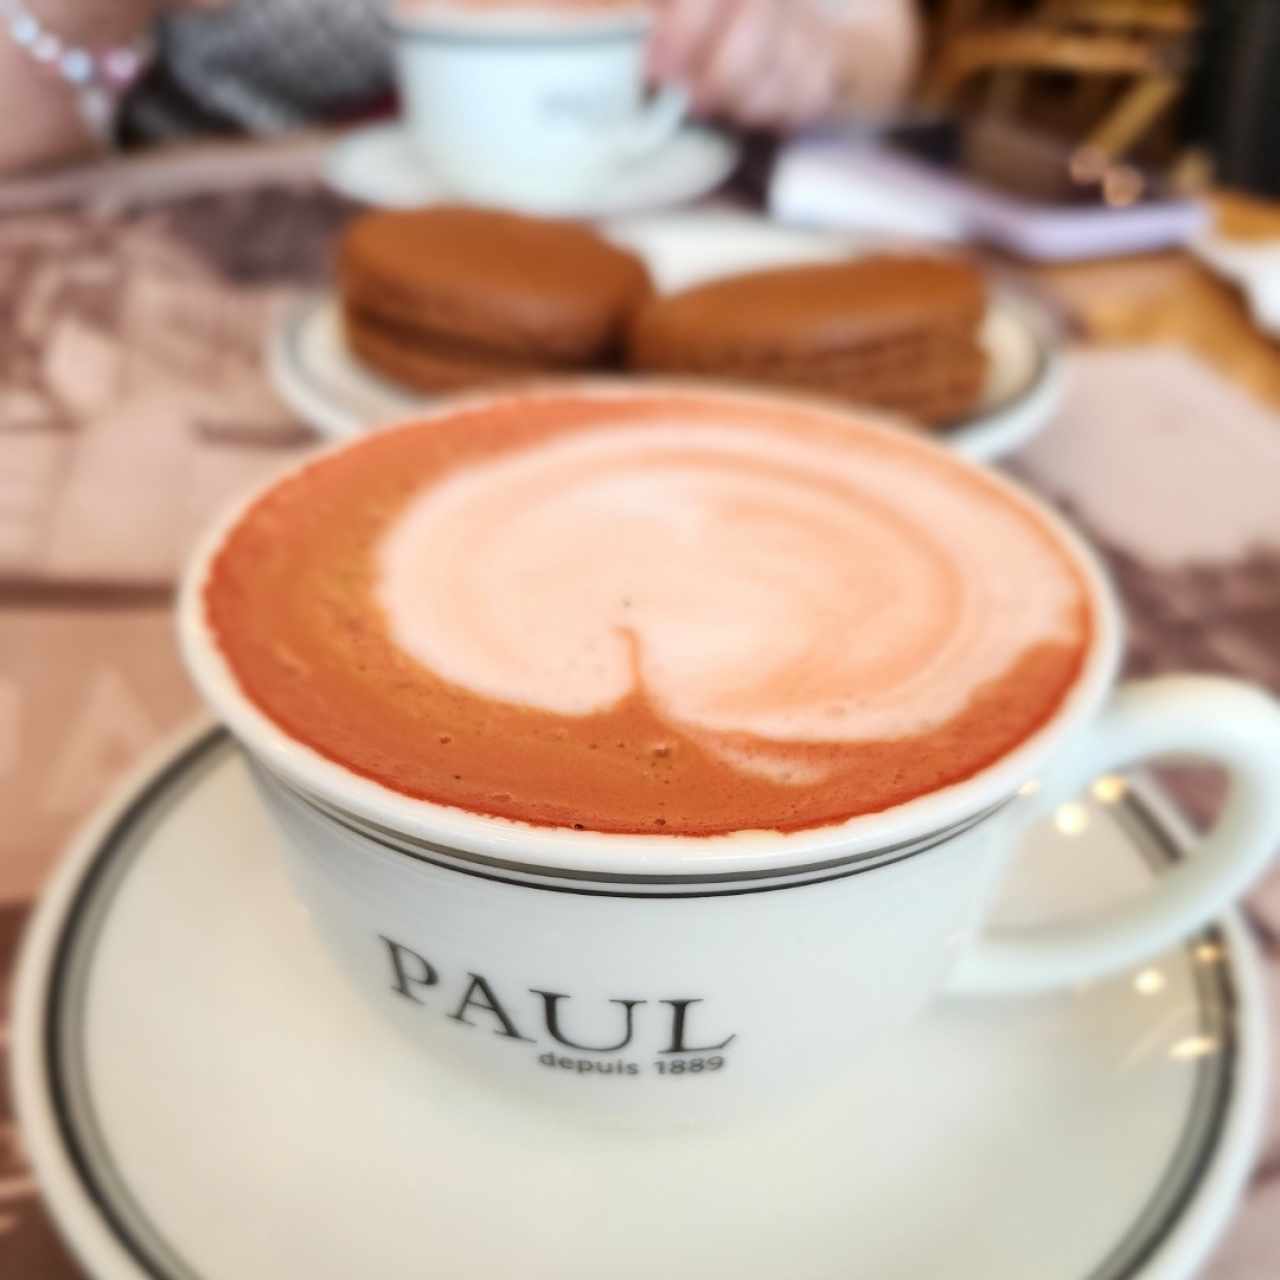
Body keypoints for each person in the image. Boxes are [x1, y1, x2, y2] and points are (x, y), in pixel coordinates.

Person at [0, 0, 919, 176]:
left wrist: (806, 50)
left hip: (665, 240)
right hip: (215, 276)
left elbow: (884, 45)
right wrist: (83, 16)